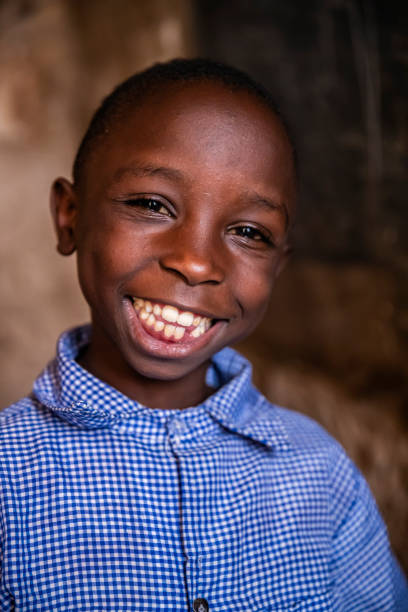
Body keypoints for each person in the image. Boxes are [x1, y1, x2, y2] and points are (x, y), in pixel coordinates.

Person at [0, 58, 406, 612]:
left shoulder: (320, 472)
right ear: (70, 216)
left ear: (278, 266)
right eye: (151, 205)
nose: (195, 263)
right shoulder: (10, 476)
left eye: (249, 232)